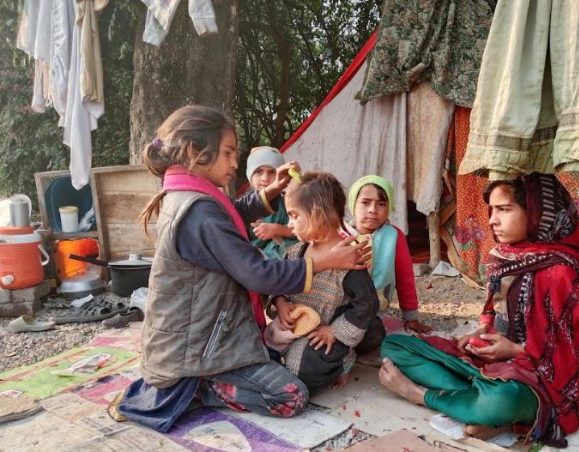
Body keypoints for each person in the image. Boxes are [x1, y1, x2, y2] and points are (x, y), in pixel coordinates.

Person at [113, 106, 369, 432]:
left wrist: (270, 192)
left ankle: (196, 379)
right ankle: (196, 388)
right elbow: (258, 273)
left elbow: (229, 213)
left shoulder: (189, 197)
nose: (235, 163)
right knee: (291, 395)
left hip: (198, 336)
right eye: (228, 152)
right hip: (200, 350)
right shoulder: (198, 213)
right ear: (195, 153)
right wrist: (323, 262)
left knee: (283, 356)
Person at [378, 173, 579, 447]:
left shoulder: (566, 273)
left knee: (502, 400)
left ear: (536, 214)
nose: (493, 220)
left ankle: (421, 395)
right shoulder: (506, 258)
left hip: (545, 378)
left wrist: (517, 351)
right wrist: (481, 332)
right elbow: (497, 314)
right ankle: (480, 405)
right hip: (500, 365)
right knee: (393, 346)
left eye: (504, 209)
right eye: (492, 210)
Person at [270, 172, 381, 389]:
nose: (289, 224)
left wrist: (335, 332)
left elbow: (367, 304)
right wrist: (281, 303)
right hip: (294, 326)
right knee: (262, 353)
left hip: (326, 332)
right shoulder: (294, 253)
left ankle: (344, 360)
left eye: (294, 215)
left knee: (301, 371)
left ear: (318, 215)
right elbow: (277, 284)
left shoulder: (348, 260)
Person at [347, 175, 432, 354]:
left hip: (372, 313)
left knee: (373, 336)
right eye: (365, 202)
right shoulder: (342, 235)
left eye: (381, 204)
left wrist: (410, 317)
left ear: (389, 207)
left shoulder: (394, 237)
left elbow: (405, 278)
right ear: (352, 204)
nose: (373, 210)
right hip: (342, 309)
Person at [246, 146, 297, 259]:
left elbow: (303, 230)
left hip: (285, 257)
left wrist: (276, 229)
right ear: (249, 175)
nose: (265, 178)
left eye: (272, 172)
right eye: (258, 172)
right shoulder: (244, 206)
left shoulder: (288, 201)